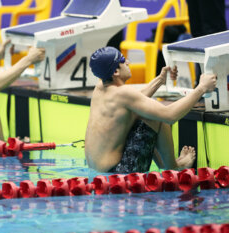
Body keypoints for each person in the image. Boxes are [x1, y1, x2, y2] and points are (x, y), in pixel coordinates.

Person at [85, 47, 217, 173]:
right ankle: (173, 167)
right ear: (115, 72)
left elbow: (136, 101)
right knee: (155, 115)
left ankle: (165, 165)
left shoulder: (100, 88)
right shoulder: (123, 93)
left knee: (145, 111)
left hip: (98, 174)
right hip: (119, 175)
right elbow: (170, 116)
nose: (128, 62)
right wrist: (201, 88)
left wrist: (160, 80)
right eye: (123, 60)